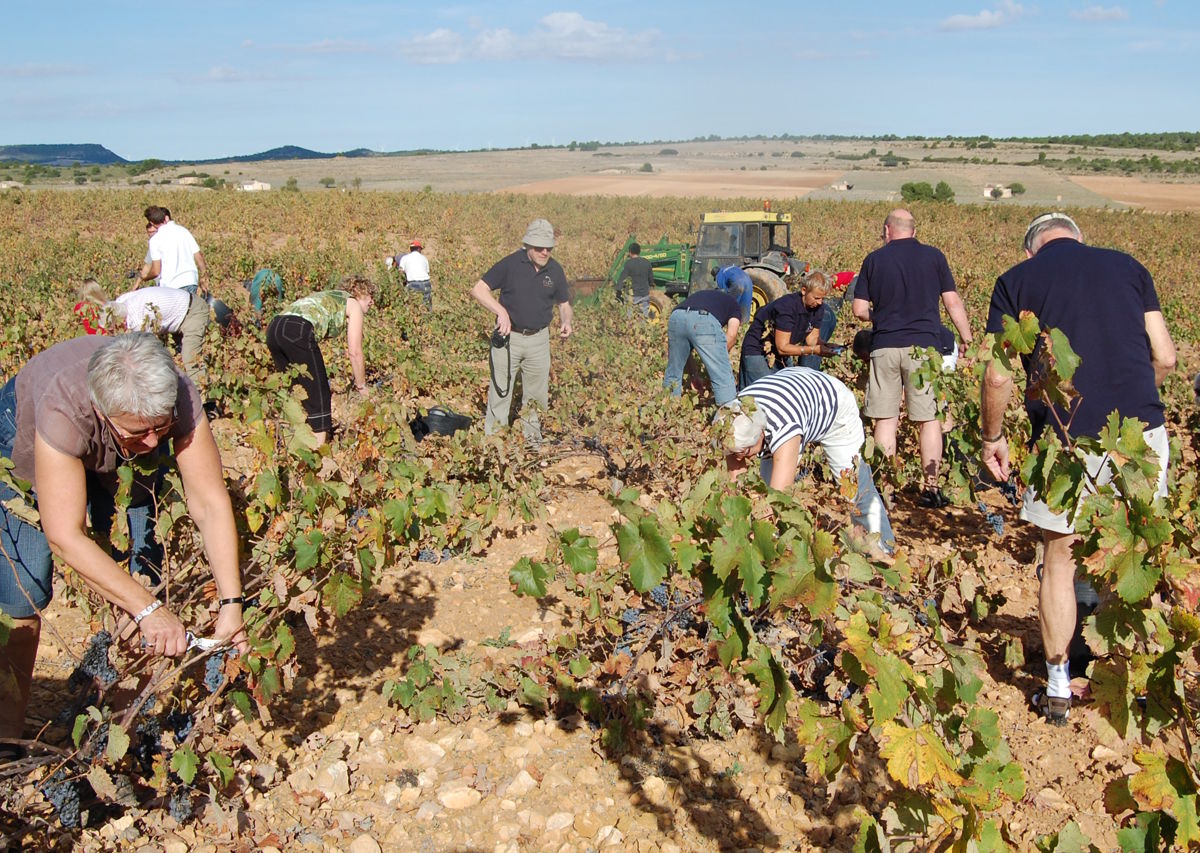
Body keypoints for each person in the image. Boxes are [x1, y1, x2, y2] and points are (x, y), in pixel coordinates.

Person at [0, 333, 248, 741]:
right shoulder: (65, 407)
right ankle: (6, 735)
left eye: (160, 427)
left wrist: (231, 604)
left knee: (143, 567)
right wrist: (149, 610)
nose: (153, 442)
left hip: (111, 425)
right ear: (102, 412)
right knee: (22, 592)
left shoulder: (177, 397)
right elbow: (64, 535)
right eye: (139, 433)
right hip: (26, 427)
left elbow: (208, 501)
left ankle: (119, 732)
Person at [979, 211, 1176, 725]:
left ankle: (1060, 686)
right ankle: (1128, 677)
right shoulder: (1130, 267)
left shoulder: (1016, 281)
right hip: (1141, 436)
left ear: (1032, 250)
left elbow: (999, 378)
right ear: (1080, 239)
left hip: (1066, 443)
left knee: (1060, 560)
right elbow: (1167, 357)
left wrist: (993, 438)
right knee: (1128, 556)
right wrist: (1131, 398)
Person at [852, 209, 973, 508]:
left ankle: (884, 491)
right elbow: (952, 301)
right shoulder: (934, 257)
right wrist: (967, 338)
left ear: (887, 230)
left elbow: (858, 309)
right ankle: (930, 489)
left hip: (885, 346)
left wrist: (883, 317)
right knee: (929, 419)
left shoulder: (874, 260)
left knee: (886, 419)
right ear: (914, 231)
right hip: (924, 349)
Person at [723, 366, 895, 553]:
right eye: (736, 452)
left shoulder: (784, 428)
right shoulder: (729, 422)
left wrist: (756, 538)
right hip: (795, 391)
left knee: (855, 490)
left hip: (834, 408)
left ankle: (884, 552)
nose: (741, 457)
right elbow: (735, 484)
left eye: (746, 451)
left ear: (762, 433)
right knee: (763, 491)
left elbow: (778, 498)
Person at [470, 218, 574, 443]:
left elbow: (564, 304)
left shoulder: (555, 270)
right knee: (501, 392)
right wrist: (501, 312)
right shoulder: (509, 265)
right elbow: (479, 289)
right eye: (539, 247)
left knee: (535, 398)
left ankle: (531, 447)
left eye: (549, 248)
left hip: (539, 341)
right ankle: (495, 445)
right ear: (527, 245)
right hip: (509, 339)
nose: (544, 252)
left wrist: (566, 321)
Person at [265, 276, 376, 445]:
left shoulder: (330, 296)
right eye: (370, 296)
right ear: (360, 293)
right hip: (298, 329)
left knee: (293, 393)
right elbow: (355, 351)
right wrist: (361, 386)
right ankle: (318, 457)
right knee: (319, 397)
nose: (372, 302)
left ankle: (290, 446)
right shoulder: (353, 304)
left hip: (274, 328)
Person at [76, 279, 209, 384]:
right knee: (175, 358)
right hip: (176, 312)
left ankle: (207, 403)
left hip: (192, 311)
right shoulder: (119, 303)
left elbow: (148, 352)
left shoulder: (138, 320)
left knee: (190, 358)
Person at [738, 273, 840, 388]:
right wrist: (813, 350)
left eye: (822, 298)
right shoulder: (787, 307)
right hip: (758, 351)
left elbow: (812, 339)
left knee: (785, 390)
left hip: (780, 352)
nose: (820, 302)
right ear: (804, 290)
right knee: (761, 394)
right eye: (816, 298)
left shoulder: (818, 309)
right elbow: (782, 348)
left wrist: (826, 346)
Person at [663, 288, 742, 408]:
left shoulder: (702, 294)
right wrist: (716, 360)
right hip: (703, 319)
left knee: (673, 372)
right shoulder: (734, 304)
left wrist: (694, 374)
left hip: (676, 316)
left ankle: (667, 411)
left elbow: (685, 353)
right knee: (723, 379)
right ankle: (729, 418)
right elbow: (731, 335)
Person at [136, 206, 208, 296]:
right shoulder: (184, 231)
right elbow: (198, 256)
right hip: (190, 280)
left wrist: (145, 277)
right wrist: (204, 276)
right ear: (165, 217)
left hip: (171, 286)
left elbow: (156, 271)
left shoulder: (155, 240)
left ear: (151, 222)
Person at [391, 239, 433, 309]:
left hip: (413, 284)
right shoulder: (424, 258)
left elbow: (400, 273)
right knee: (427, 305)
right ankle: (428, 318)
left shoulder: (405, 258)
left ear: (410, 249)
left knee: (412, 307)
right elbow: (427, 272)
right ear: (419, 249)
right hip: (426, 283)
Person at [617, 242, 654, 316]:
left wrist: (618, 289)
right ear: (639, 252)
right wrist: (651, 284)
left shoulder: (628, 264)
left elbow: (622, 279)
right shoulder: (647, 262)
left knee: (629, 318)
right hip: (644, 294)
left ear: (630, 252)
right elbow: (651, 279)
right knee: (644, 316)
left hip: (632, 296)